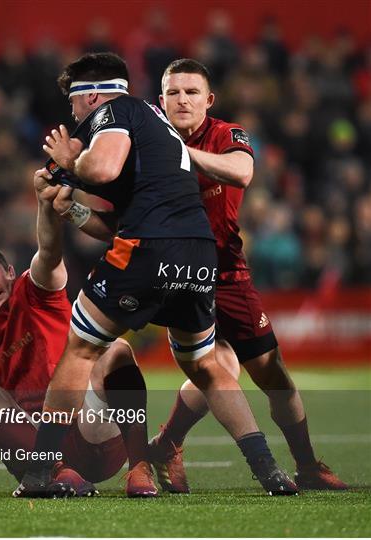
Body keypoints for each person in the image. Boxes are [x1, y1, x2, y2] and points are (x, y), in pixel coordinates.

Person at [17, 51, 297, 498]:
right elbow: (115, 221)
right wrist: (70, 206)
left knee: (81, 349)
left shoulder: (115, 110)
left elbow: (103, 168)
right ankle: (269, 471)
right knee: (205, 363)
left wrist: (72, 162)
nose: (72, 115)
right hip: (198, 252)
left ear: (89, 95)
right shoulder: (153, 124)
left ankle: (39, 473)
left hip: (147, 249)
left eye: (73, 104)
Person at [147, 58, 347, 493]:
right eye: (173, 92)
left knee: (271, 371)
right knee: (213, 367)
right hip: (177, 276)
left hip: (229, 273)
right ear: (160, 100)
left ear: (208, 100)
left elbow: (242, 171)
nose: (182, 99)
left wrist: (177, 155)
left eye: (192, 92)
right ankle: (160, 447)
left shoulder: (226, 134)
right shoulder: (143, 138)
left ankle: (306, 465)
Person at [0, 167, 152, 498]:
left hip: (90, 431)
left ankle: (139, 468)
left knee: (114, 351)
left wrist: (45, 206)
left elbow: (49, 252)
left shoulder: (33, 290)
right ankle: (56, 475)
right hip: (41, 451)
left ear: (10, 271)